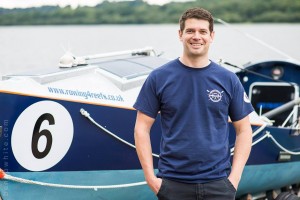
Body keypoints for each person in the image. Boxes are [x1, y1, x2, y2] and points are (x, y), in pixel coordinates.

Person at [133, 7, 254, 200]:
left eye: (202, 32)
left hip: (219, 184)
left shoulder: (228, 79)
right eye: (190, 31)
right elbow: (141, 128)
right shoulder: (159, 77)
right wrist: (150, 178)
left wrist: (234, 180)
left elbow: (244, 130)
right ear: (180, 35)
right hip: (173, 184)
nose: (196, 36)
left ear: (212, 36)